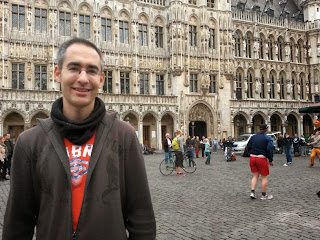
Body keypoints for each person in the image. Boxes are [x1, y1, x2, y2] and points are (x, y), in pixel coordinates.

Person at [3, 38, 156, 239]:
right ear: (57, 73)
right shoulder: (29, 142)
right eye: (74, 68)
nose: (83, 78)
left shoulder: (124, 136)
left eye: (91, 70)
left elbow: (141, 217)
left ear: (102, 79)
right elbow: (17, 224)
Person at [247, 124, 274, 200]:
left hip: (252, 157)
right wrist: (270, 160)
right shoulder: (268, 138)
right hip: (261, 158)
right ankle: (263, 195)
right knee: (264, 176)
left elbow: (248, 146)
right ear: (266, 129)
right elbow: (270, 149)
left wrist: (251, 153)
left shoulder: (253, 137)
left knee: (255, 175)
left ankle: (252, 192)